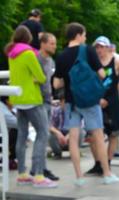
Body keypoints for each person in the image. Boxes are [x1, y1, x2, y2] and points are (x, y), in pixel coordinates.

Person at [53, 22, 119, 185]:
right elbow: (103, 74)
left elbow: (56, 84)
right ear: (78, 35)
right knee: (98, 136)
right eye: (84, 34)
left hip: (71, 101)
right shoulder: (88, 50)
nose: (85, 37)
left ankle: (79, 177)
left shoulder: (61, 56)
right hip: (90, 100)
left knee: (74, 139)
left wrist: (70, 81)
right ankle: (107, 174)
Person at [5, 25, 57, 188]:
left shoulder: (12, 54)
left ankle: (22, 174)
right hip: (32, 99)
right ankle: (39, 176)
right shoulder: (28, 54)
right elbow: (41, 77)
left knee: (22, 135)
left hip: (18, 98)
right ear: (28, 39)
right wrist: (36, 79)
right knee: (42, 133)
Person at [86, 36, 119, 176]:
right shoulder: (92, 62)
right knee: (93, 135)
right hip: (97, 101)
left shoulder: (117, 60)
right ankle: (98, 164)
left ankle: (107, 164)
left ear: (108, 47)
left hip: (112, 101)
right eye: (96, 47)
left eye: (101, 47)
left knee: (114, 133)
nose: (99, 50)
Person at [29, 32, 60, 181]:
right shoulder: (37, 59)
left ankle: (37, 168)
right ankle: (40, 169)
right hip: (38, 101)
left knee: (42, 135)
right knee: (43, 134)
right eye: (52, 43)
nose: (55, 46)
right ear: (43, 44)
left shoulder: (51, 60)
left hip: (48, 100)